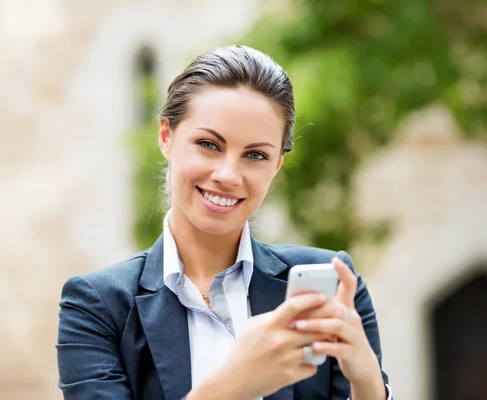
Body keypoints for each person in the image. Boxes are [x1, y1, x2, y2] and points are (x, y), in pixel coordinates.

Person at [57, 45, 393, 400]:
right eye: (208, 144)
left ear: (277, 164)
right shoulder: (98, 306)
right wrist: (232, 385)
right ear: (166, 138)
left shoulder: (333, 285)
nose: (228, 175)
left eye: (255, 155)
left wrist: (368, 383)